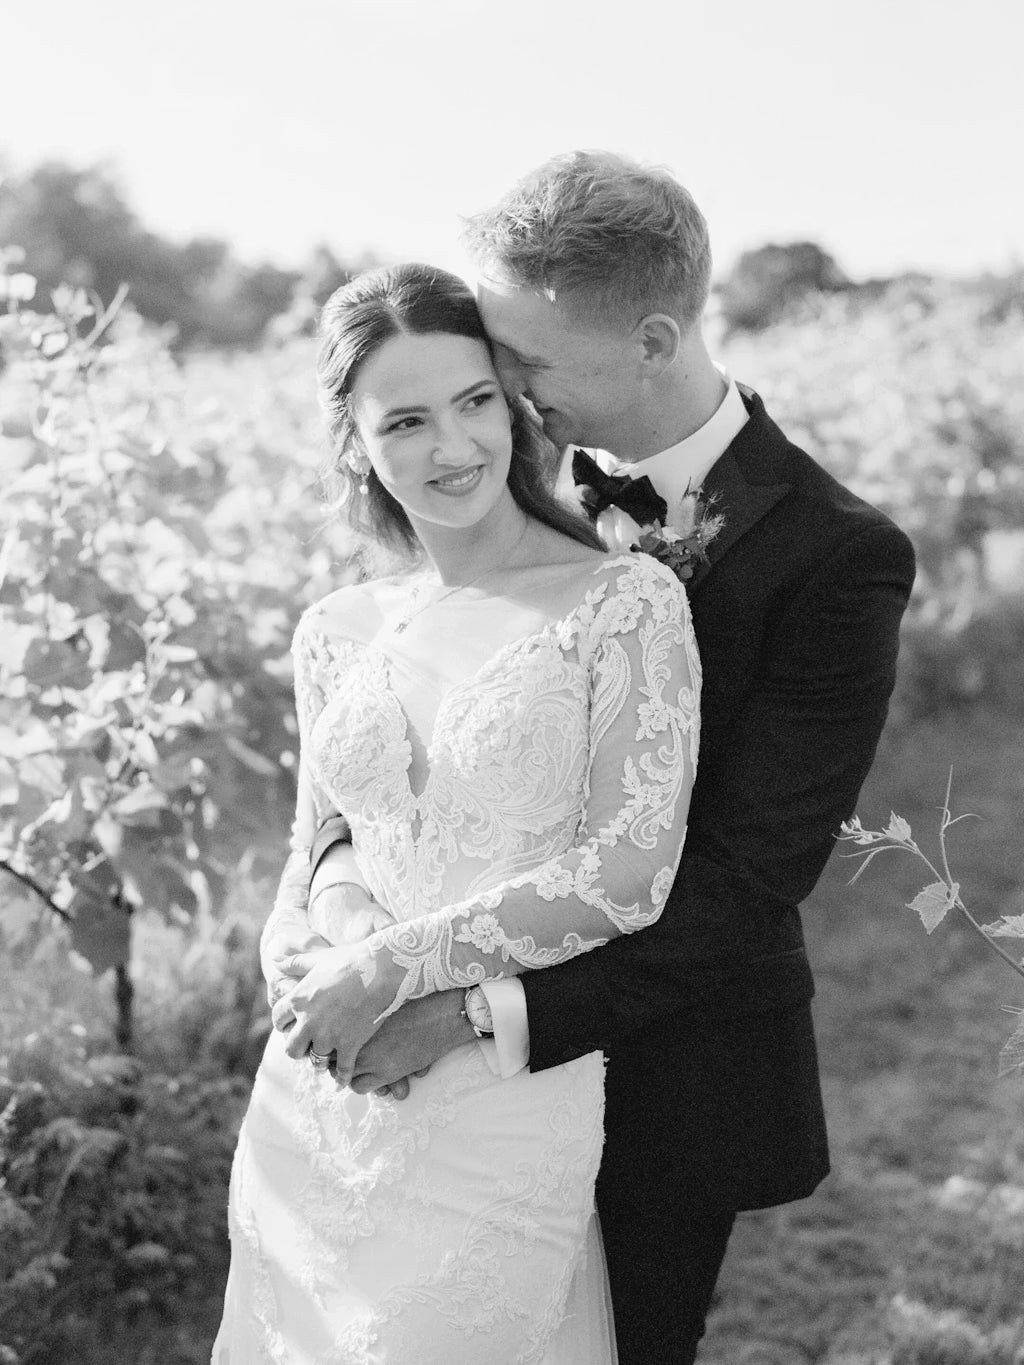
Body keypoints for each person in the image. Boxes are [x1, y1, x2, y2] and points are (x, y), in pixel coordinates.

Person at [285, 152, 917, 1364]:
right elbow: (385, 730)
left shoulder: (838, 556)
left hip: (666, 1074)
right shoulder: (490, 480)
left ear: (652, 340)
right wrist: (341, 899)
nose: (501, 394)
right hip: (419, 1075)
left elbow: (744, 879)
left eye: (522, 363)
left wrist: (466, 1016)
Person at [213, 260, 701, 1362]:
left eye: (475, 402)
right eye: (407, 421)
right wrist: (302, 970)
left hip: (497, 1096)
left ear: (514, 407)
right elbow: (313, 854)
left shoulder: (622, 601)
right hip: (318, 1092)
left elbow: (628, 872)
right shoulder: (334, 629)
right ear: (356, 445)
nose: (453, 446)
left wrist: (387, 969)